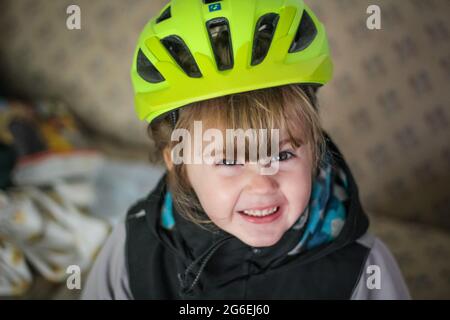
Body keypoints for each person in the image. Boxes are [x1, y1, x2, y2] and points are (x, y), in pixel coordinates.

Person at [82, 0, 410, 299]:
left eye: (283, 155)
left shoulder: (362, 271)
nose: (262, 184)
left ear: (314, 150)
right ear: (178, 162)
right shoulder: (134, 251)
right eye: (228, 160)